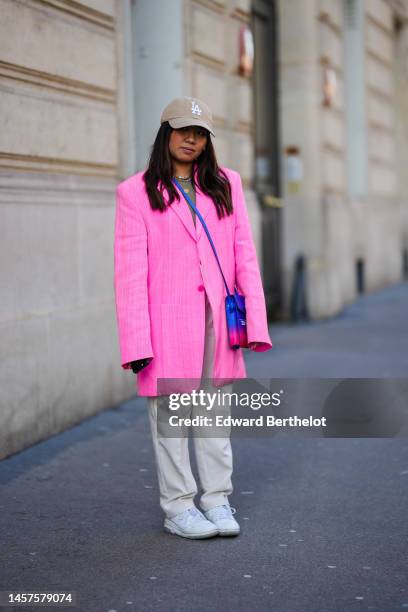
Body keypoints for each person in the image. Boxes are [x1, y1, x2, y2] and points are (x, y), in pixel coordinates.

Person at [114, 96, 272, 539]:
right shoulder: (135, 192)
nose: (192, 140)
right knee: (172, 416)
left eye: (200, 133)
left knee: (214, 416)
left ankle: (218, 499)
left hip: (219, 321)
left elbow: (245, 256)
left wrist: (253, 324)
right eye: (184, 130)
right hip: (166, 324)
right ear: (166, 133)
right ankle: (178, 507)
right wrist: (136, 342)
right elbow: (129, 274)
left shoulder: (227, 184)